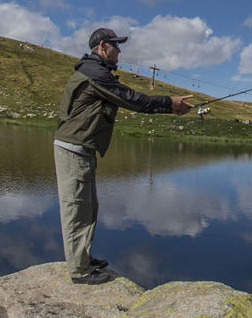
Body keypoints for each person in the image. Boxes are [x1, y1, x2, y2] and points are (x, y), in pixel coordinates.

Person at [53, 27, 192, 284]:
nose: (119, 51)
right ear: (102, 47)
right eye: (116, 45)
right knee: (77, 209)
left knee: (88, 208)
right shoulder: (94, 73)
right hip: (73, 150)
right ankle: (79, 271)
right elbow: (132, 99)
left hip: (80, 149)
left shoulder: (94, 70)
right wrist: (169, 103)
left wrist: (168, 105)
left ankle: (82, 257)